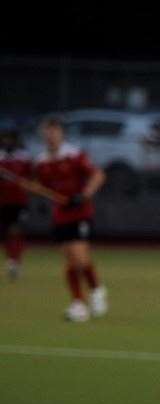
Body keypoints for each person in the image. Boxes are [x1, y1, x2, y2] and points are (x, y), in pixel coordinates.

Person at [34, 115, 108, 322]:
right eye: (47, 133)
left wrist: (84, 194)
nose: (51, 136)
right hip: (60, 215)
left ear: (61, 134)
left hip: (81, 213)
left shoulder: (74, 155)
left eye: (54, 132)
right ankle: (78, 303)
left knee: (80, 257)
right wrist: (40, 193)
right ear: (42, 135)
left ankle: (96, 289)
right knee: (69, 260)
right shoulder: (41, 162)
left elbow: (99, 175)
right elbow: (44, 188)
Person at [0, 126, 31, 280]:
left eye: (10, 138)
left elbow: (32, 178)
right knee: (6, 232)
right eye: (5, 139)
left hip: (19, 201)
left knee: (16, 230)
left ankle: (15, 262)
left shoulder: (23, 158)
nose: (7, 142)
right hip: (2, 201)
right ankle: (10, 260)